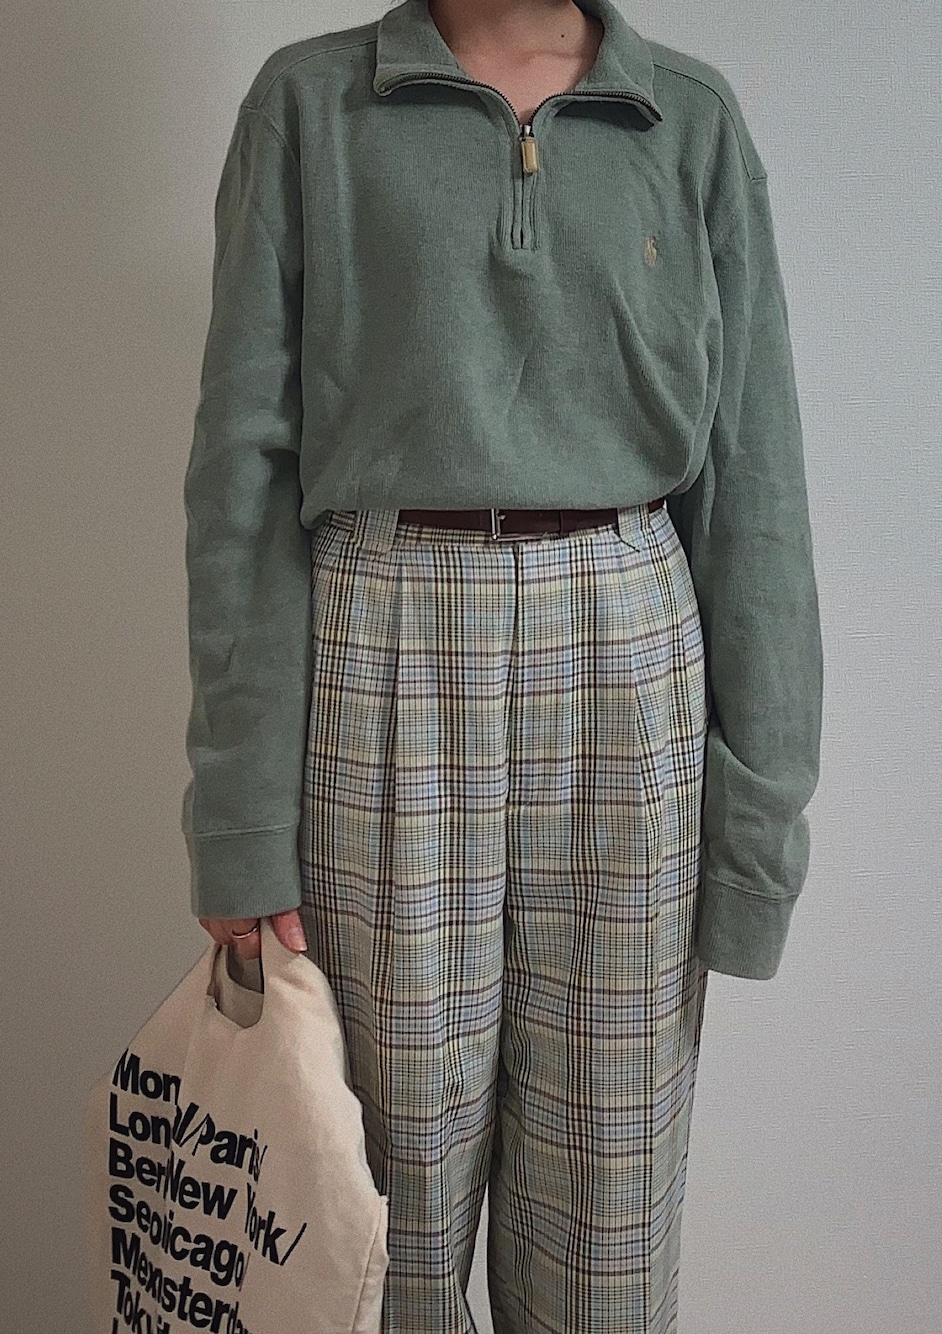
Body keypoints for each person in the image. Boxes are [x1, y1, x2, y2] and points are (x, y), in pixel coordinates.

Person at [181, 0, 823, 1329]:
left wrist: (758, 829)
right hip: (382, 653)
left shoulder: (687, 122)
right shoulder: (311, 106)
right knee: (379, 1219)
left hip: (629, 655)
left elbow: (753, 478)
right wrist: (240, 819)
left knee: (608, 1212)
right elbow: (245, 475)